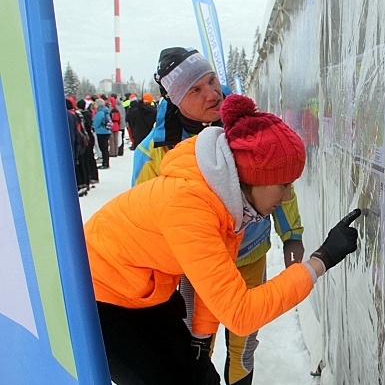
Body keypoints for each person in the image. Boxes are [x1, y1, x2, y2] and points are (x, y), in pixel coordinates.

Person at [84, 93, 361, 384]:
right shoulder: (192, 206)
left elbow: (213, 280)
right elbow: (240, 313)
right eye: (284, 184)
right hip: (101, 297)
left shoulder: (225, 199)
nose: (288, 196)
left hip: (140, 287)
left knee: (199, 376)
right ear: (256, 177)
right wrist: (321, 261)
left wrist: (200, 341)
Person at [132, 47, 306, 385]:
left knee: (244, 344)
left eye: (211, 80)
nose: (212, 93)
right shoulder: (154, 150)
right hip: (198, 269)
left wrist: (292, 234)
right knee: (197, 346)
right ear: (174, 98)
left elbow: (279, 176)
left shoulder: (247, 125)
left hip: (249, 253)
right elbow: (145, 219)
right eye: (195, 90)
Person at [92, 98, 112, 169]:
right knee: (105, 148)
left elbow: (96, 123)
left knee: (103, 148)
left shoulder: (100, 113)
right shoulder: (106, 111)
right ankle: (106, 162)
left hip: (101, 132)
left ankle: (105, 163)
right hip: (107, 131)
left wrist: (93, 125)